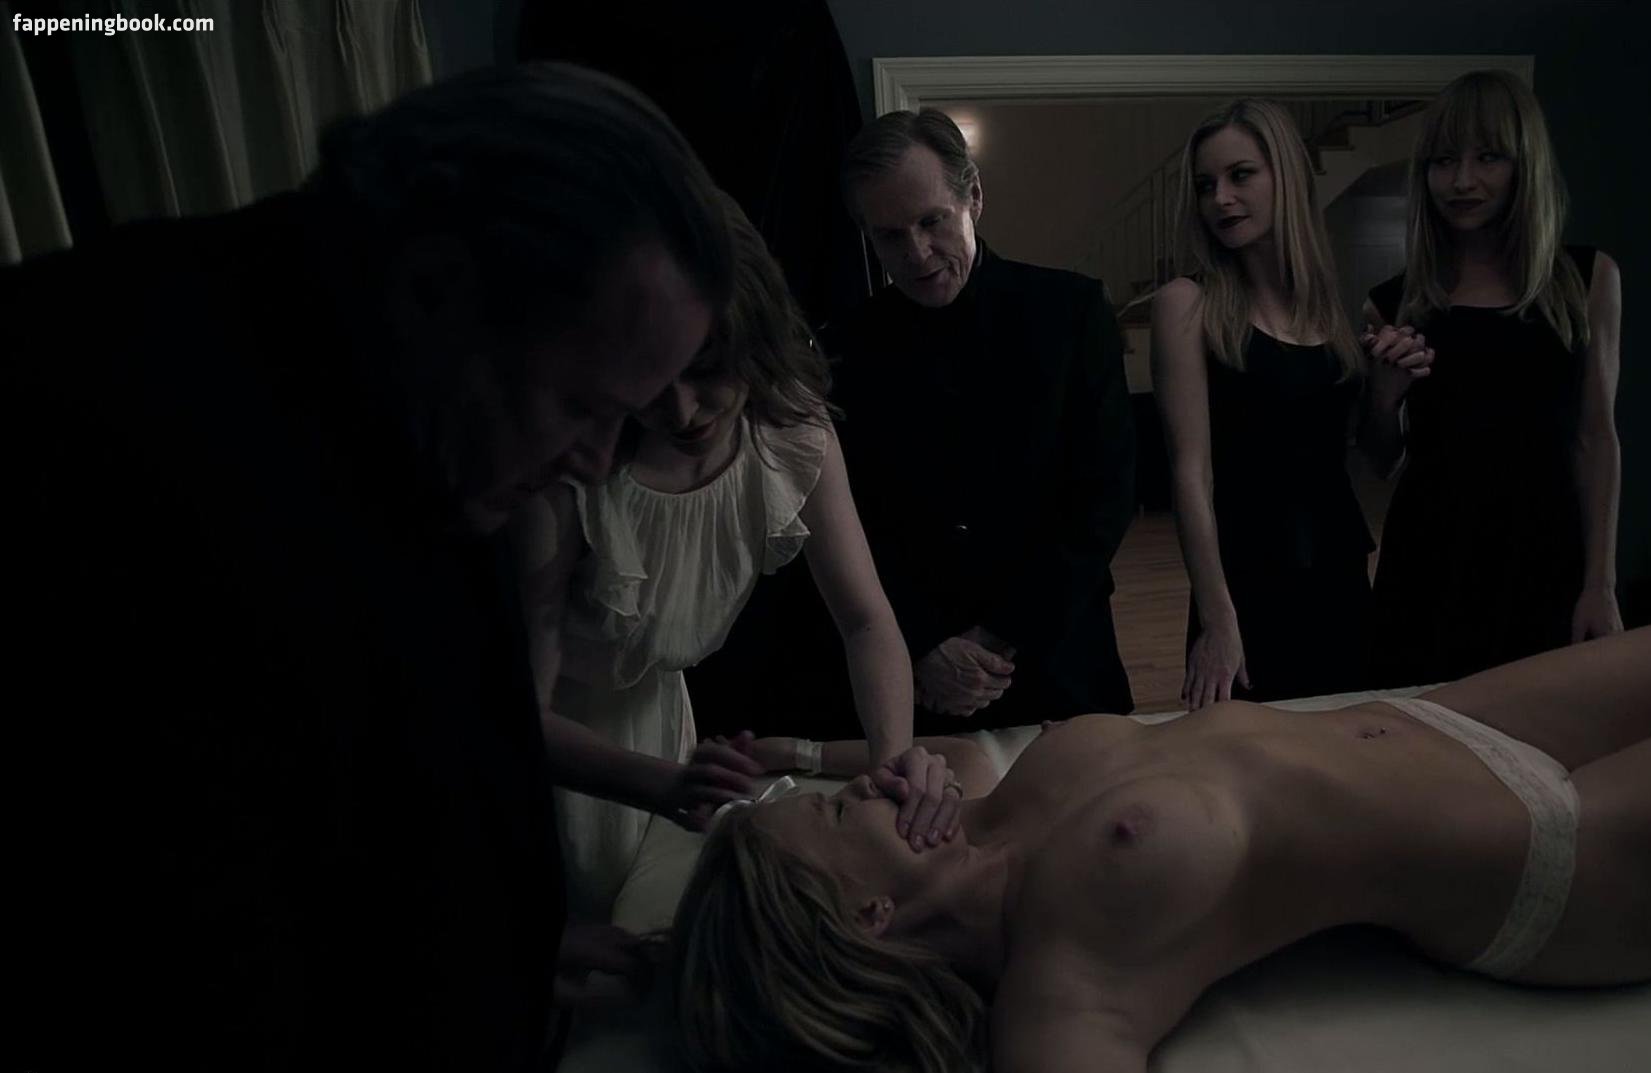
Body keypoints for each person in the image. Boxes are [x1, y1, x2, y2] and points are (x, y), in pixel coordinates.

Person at [7, 63, 732, 1070]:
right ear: (437, 285)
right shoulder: (97, 422)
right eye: (582, 405)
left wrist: (507, 940)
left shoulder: (434, 422)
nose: (598, 459)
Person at [668, 589, 1651, 1071]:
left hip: (1456, 716)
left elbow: (910, 760)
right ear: (868, 916)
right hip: (1570, 852)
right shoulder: (1059, 981)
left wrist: (807, 765)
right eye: (832, 817)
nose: (857, 793)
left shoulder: (980, 808)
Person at [509, 197, 960, 920]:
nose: (682, 411)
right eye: (651, 379)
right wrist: (659, 784)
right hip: (556, 754)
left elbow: (866, 620)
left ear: (753, 334)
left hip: (660, 730)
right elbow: (515, 712)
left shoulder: (790, 432)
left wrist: (889, 769)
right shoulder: (574, 471)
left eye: (706, 369)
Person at [817, 107, 1137, 732]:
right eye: (889, 235)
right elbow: (854, 521)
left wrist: (996, 638)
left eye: (931, 221)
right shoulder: (842, 348)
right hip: (915, 676)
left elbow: (1105, 499)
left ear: (975, 198)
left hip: (1062, 658)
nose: (916, 253)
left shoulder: (1071, 312)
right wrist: (924, 643)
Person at [1360, 69, 1624, 686]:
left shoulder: (1587, 281)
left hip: (1545, 554)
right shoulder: (1394, 301)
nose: (1462, 181)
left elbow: (1596, 439)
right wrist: (1384, 396)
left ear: (1525, 165)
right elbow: (1379, 458)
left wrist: (1600, 583)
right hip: (1429, 560)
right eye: (1444, 161)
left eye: (1488, 157)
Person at [1152, 99, 1383, 707]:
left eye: (1240, 175)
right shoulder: (1187, 304)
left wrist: (1390, 385)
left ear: (1286, 175)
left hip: (1339, 576)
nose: (1221, 199)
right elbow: (1191, 475)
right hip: (1244, 587)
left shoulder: (1330, 312)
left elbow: (1366, 455)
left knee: (1345, 750)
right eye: (1206, 185)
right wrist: (1218, 619)